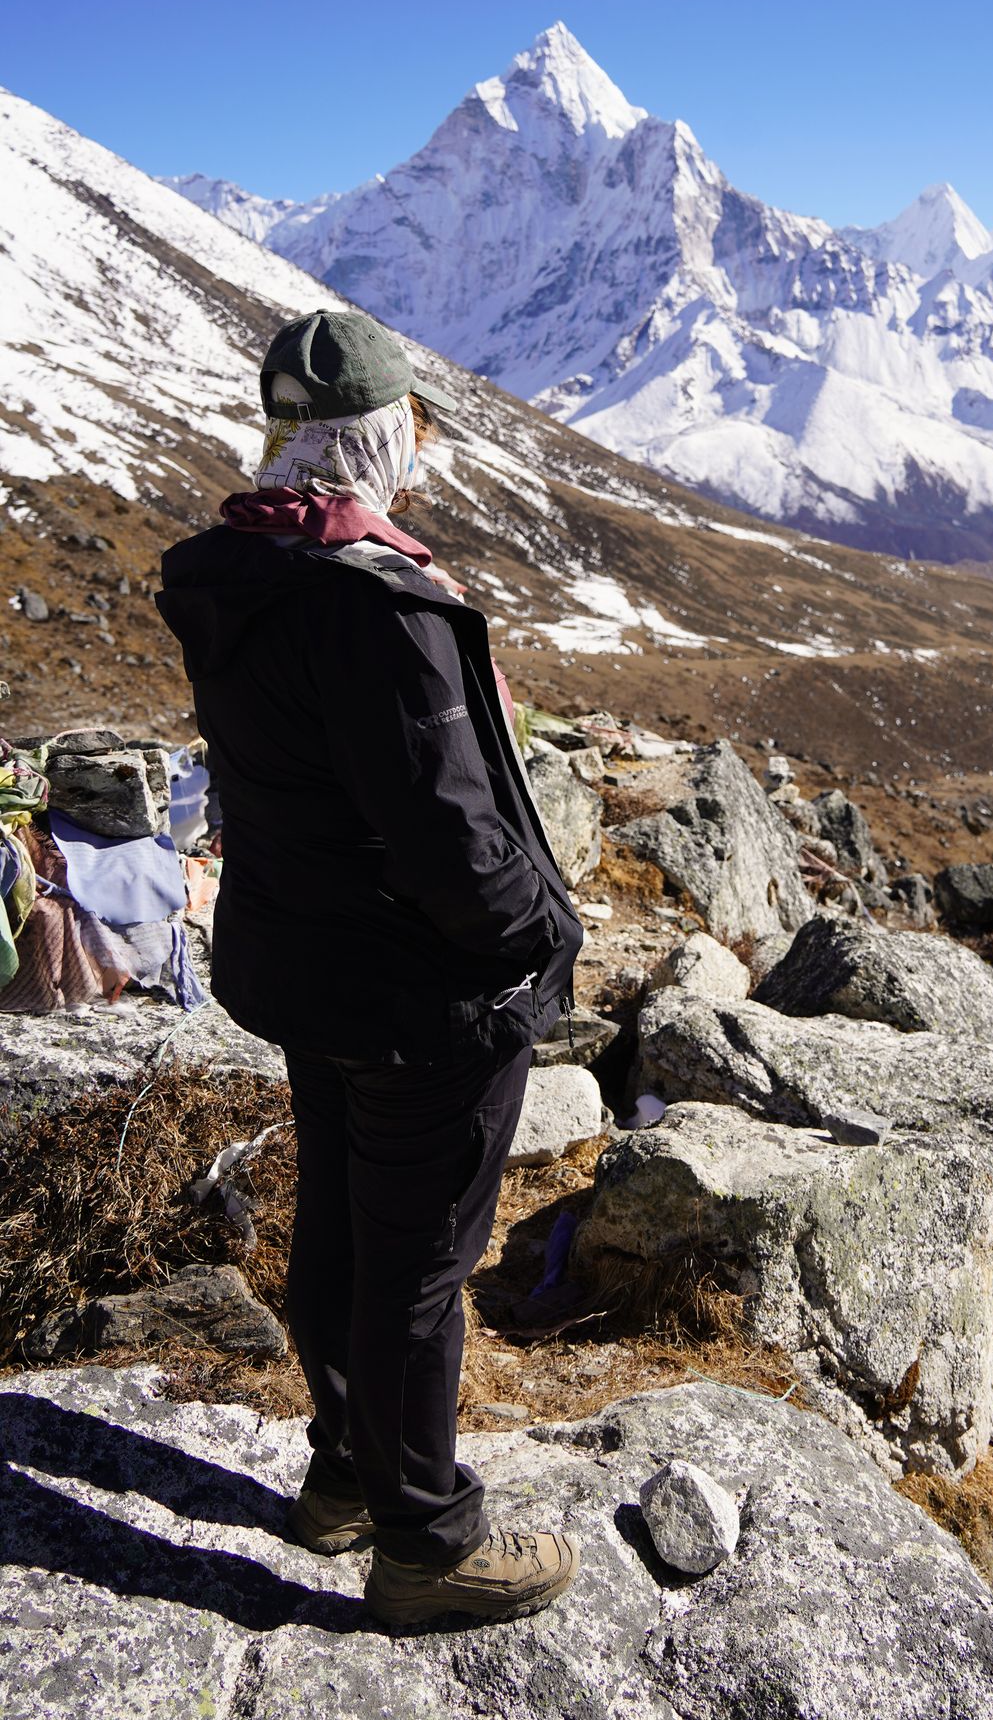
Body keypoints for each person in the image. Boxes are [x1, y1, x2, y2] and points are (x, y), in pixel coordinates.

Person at [156, 309, 584, 1627]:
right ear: (381, 430)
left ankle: (344, 1475)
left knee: (347, 1228)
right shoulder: (374, 604)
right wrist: (540, 940)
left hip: (314, 968)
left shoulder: (240, 574)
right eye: (419, 425)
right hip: (423, 993)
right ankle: (425, 1544)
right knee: (418, 1267)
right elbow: (453, 833)